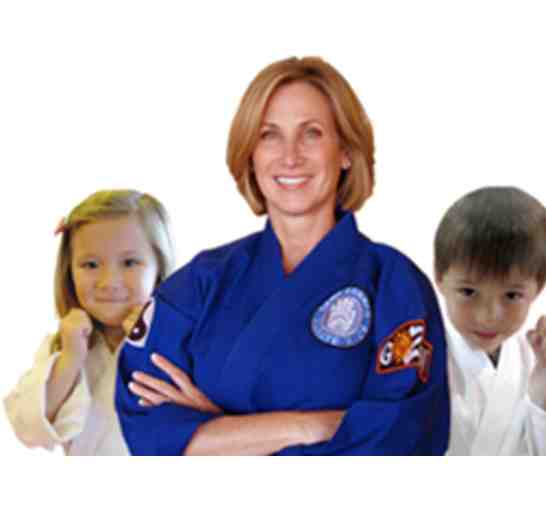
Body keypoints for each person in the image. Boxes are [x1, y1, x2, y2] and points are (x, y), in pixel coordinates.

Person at [115, 56, 450, 455]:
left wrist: (221, 430)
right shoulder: (200, 283)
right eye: (269, 135)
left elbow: (401, 440)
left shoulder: (393, 283)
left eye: (312, 134)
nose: (290, 156)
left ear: (345, 150)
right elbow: (147, 432)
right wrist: (312, 426)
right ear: (250, 154)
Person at [3, 190, 219, 455]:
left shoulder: (190, 339)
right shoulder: (64, 346)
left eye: (129, 262)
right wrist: (71, 358)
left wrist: (155, 340)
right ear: (69, 272)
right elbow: (29, 430)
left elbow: (219, 419)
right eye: (91, 264)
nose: (109, 282)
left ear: (159, 268)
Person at [434, 186, 546, 455]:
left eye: (511, 296)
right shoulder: (417, 355)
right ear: (439, 278)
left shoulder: (544, 363)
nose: (488, 316)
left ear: (538, 288)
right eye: (468, 292)